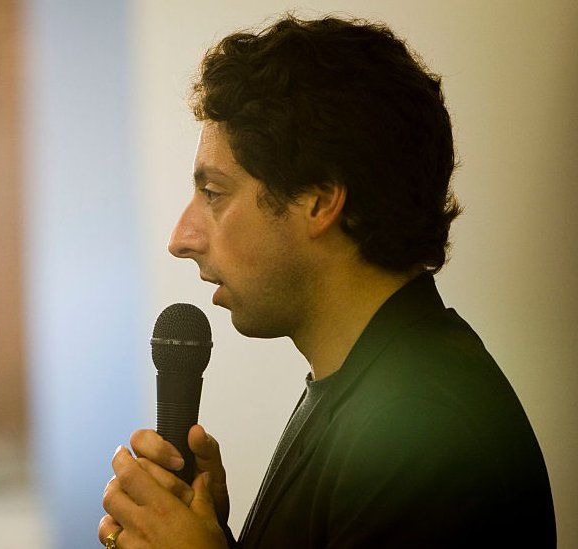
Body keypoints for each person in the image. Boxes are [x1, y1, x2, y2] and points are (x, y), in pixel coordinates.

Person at [97, 14, 556, 548]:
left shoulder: (425, 431)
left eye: (215, 193)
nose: (181, 237)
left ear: (318, 202)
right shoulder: (364, 383)